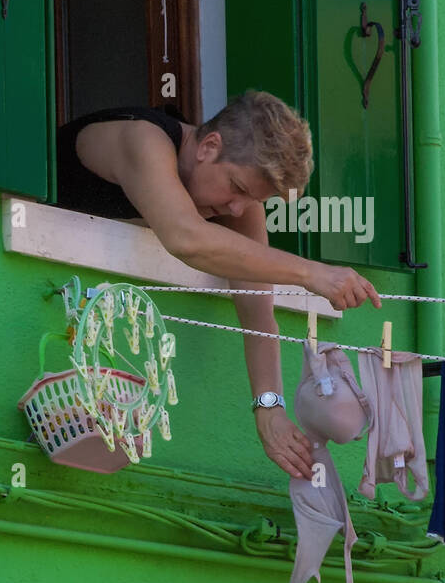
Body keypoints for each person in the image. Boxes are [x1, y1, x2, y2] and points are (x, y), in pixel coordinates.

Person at [56, 88, 382, 480]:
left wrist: (270, 408)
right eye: (239, 189)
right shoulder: (142, 138)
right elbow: (186, 238)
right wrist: (312, 273)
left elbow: (257, 308)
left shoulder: (237, 203)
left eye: (253, 201)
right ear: (209, 146)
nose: (237, 209)